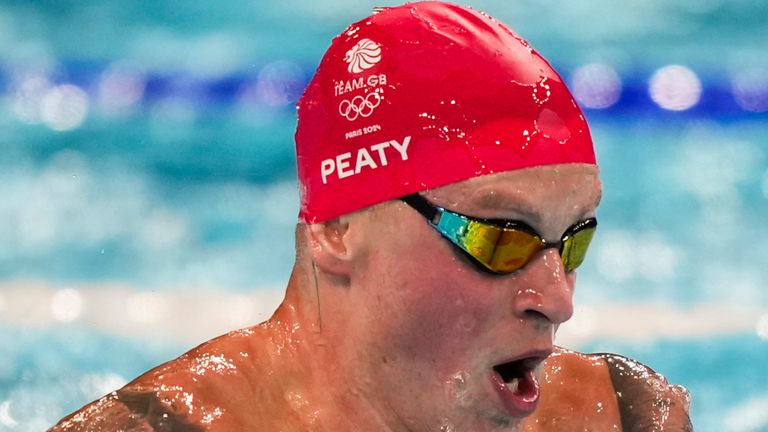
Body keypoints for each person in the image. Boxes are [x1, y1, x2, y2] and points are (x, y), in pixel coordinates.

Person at [50, 2, 692, 431]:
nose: (557, 300)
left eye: (572, 242)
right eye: (501, 238)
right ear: (338, 227)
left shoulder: (625, 416)